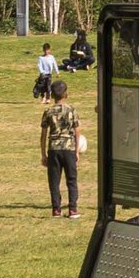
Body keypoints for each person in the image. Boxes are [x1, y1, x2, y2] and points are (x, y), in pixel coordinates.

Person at [40, 78, 81, 217]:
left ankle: (56, 209)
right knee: (71, 179)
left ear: (52, 95)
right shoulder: (72, 110)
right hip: (69, 148)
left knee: (54, 180)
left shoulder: (48, 111)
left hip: (54, 149)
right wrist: (76, 151)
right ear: (66, 94)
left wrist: (43, 154)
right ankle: (73, 209)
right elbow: (77, 131)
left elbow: (43, 134)